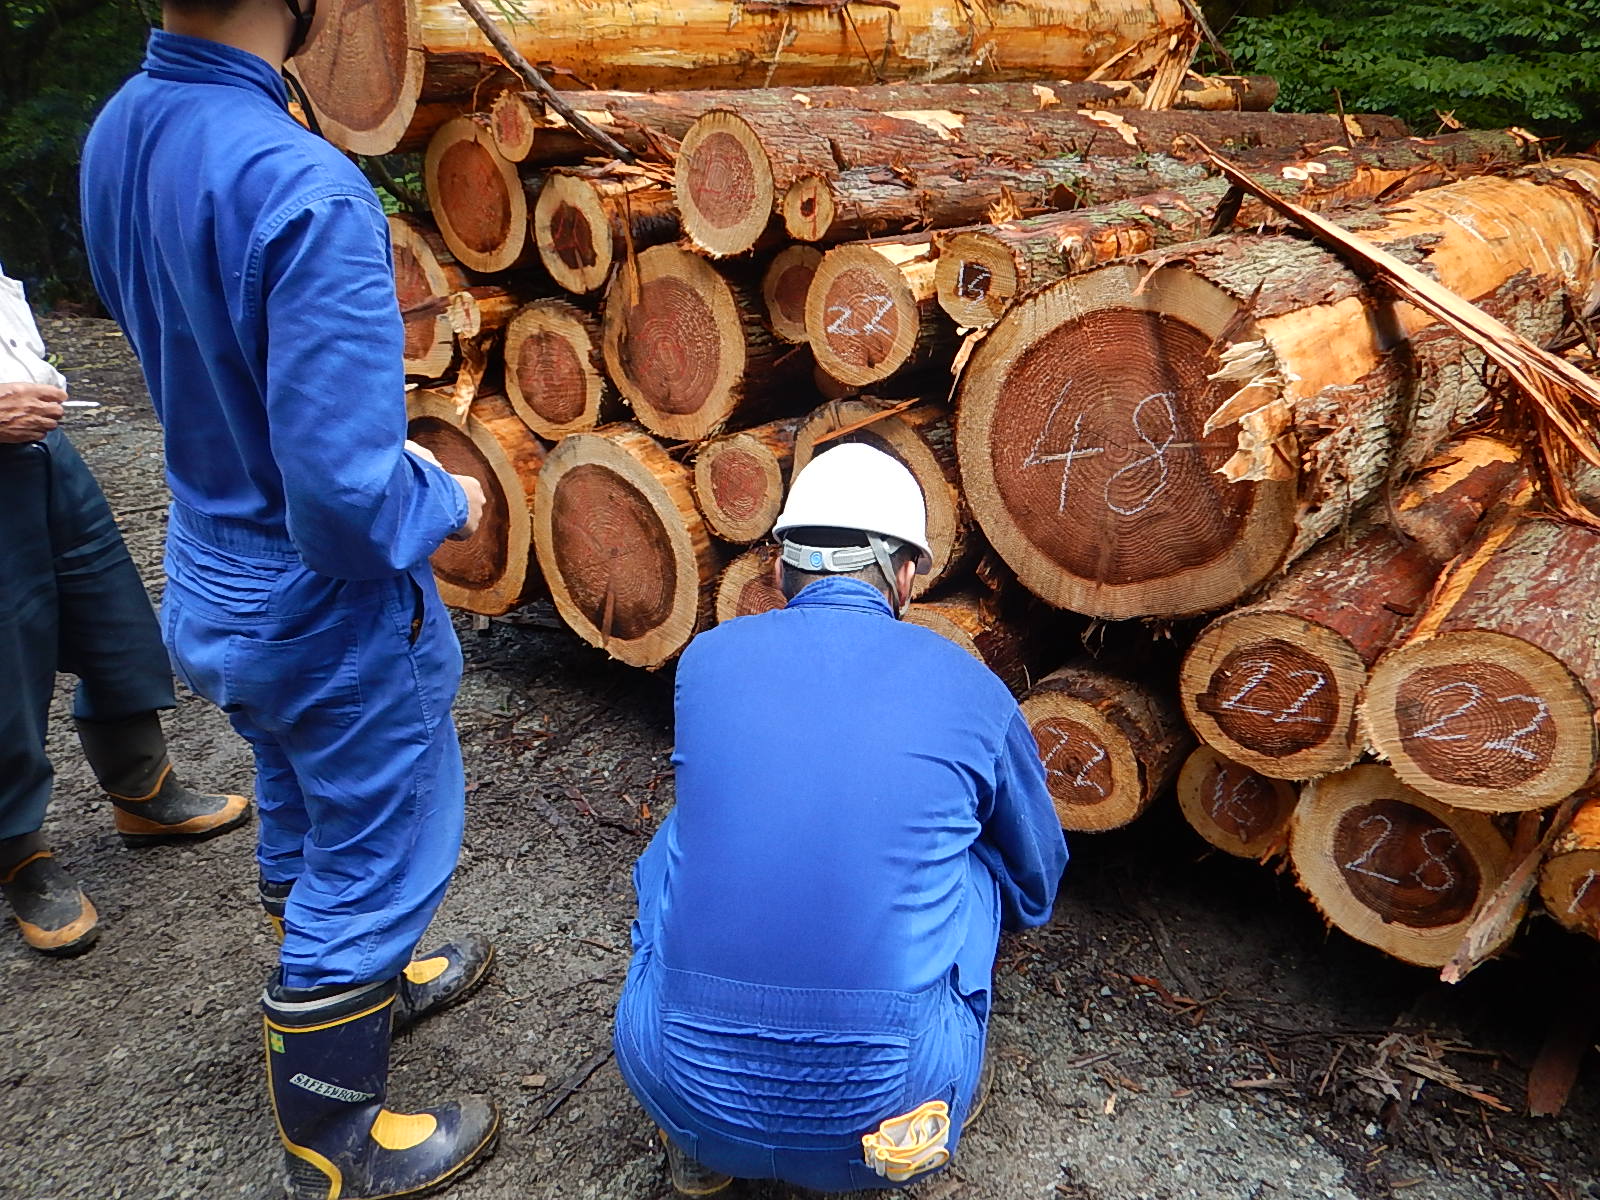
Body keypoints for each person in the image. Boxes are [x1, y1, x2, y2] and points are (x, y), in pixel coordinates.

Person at [79, 1, 500, 1195]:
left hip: (215, 561)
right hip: (323, 601)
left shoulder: (124, 125)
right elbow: (348, 508)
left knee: (297, 784)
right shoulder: (305, 188)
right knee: (375, 843)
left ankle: (358, 977)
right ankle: (335, 1135)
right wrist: (447, 501)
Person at [614, 442, 1069, 1194]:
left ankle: (708, 1147)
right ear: (907, 575)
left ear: (781, 565)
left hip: (676, 1085)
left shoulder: (706, 660)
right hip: (886, 1116)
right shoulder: (970, 685)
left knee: (678, 839)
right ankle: (888, 1111)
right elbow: (1036, 870)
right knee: (976, 863)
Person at [0, 265, 251, 957]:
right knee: (5, 669)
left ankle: (144, 792)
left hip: (46, 451)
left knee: (113, 617)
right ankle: (20, 857)